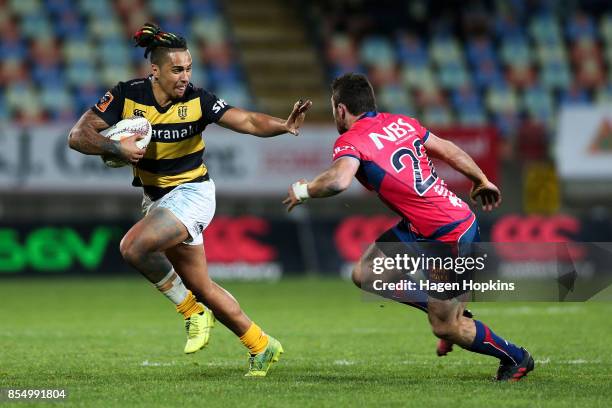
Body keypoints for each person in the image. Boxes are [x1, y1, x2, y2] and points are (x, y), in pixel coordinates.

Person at [68, 23, 311, 377]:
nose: (185, 76)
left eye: (189, 68)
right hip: (156, 199)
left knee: (133, 247)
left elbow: (247, 120)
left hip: (193, 192)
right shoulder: (126, 95)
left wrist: (283, 125)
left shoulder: (198, 100)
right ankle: (261, 345)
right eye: (177, 69)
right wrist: (114, 147)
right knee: (201, 286)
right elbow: (78, 136)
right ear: (156, 70)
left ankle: (192, 312)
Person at [283, 73, 533, 381]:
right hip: (425, 225)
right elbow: (450, 149)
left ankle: (516, 357)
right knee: (365, 273)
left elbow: (338, 180)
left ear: (341, 110)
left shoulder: (351, 140)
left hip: (447, 236)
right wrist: (481, 179)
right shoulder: (403, 122)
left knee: (446, 327)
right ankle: (443, 307)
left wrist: (304, 190)